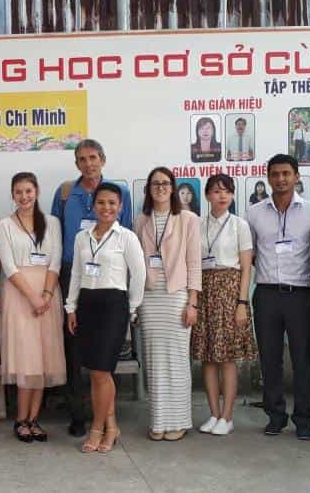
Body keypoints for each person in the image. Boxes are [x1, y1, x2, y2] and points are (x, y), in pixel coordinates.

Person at [50, 139, 133, 437]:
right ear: (76, 164)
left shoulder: (119, 193)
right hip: (73, 274)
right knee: (74, 347)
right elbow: (55, 234)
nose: (89, 164)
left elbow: (126, 235)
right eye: (82, 159)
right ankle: (77, 413)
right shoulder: (64, 193)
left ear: (103, 160)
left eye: (93, 158)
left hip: (109, 278)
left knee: (106, 351)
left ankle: (108, 416)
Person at [66, 183, 147, 453]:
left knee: (102, 370)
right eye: (101, 202)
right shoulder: (82, 237)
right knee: (96, 372)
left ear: (120, 207)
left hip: (114, 306)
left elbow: (139, 274)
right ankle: (111, 426)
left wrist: (132, 307)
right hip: (87, 305)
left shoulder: (127, 237)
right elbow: (76, 274)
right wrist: (71, 307)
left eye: (112, 203)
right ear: (93, 205)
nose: (106, 207)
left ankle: (97, 427)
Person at [248, 154, 310, 439]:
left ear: (296, 176)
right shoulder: (254, 213)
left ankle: (304, 419)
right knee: (269, 359)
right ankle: (275, 415)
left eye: (286, 174)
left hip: (301, 295)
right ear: (268, 177)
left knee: (303, 359)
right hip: (266, 293)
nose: (280, 179)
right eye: (275, 174)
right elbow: (251, 253)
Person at [0, 172, 66, 443]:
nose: (24, 197)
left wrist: (46, 295)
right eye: (18, 192)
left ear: (36, 191)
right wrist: (33, 298)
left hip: (48, 294)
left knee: (43, 359)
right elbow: (8, 266)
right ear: (12, 195)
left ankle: (34, 419)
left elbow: (55, 261)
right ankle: (20, 419)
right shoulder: (4, 225)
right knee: (26, 358)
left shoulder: (52, 222)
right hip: (19, 296)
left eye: (28, 191)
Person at [133, 167, 201, 441]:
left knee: (177, 361)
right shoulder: (140, 221)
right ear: (149, 190)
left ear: (172, 188)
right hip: (150, 297)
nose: (160, 187)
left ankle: (179, 421)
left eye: (165, 183)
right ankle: (159, 422)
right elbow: (136, 266)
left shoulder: (188, 219)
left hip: (176, 296)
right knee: (154, 361)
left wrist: (192, 303)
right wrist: (135, 304)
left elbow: (194, 263)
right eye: (155, 184)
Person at [192, 174, 257, 437]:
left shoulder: (240, 225)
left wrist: (242, 302)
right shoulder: (197, 224)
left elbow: (246, 268)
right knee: (208, 357)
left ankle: (227, 416)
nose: (222, 196)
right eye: (217, 191)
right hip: (204, 290)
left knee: (227, 358)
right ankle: (214, 413)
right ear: (208, 195)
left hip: (230, 292)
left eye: (227, 191)